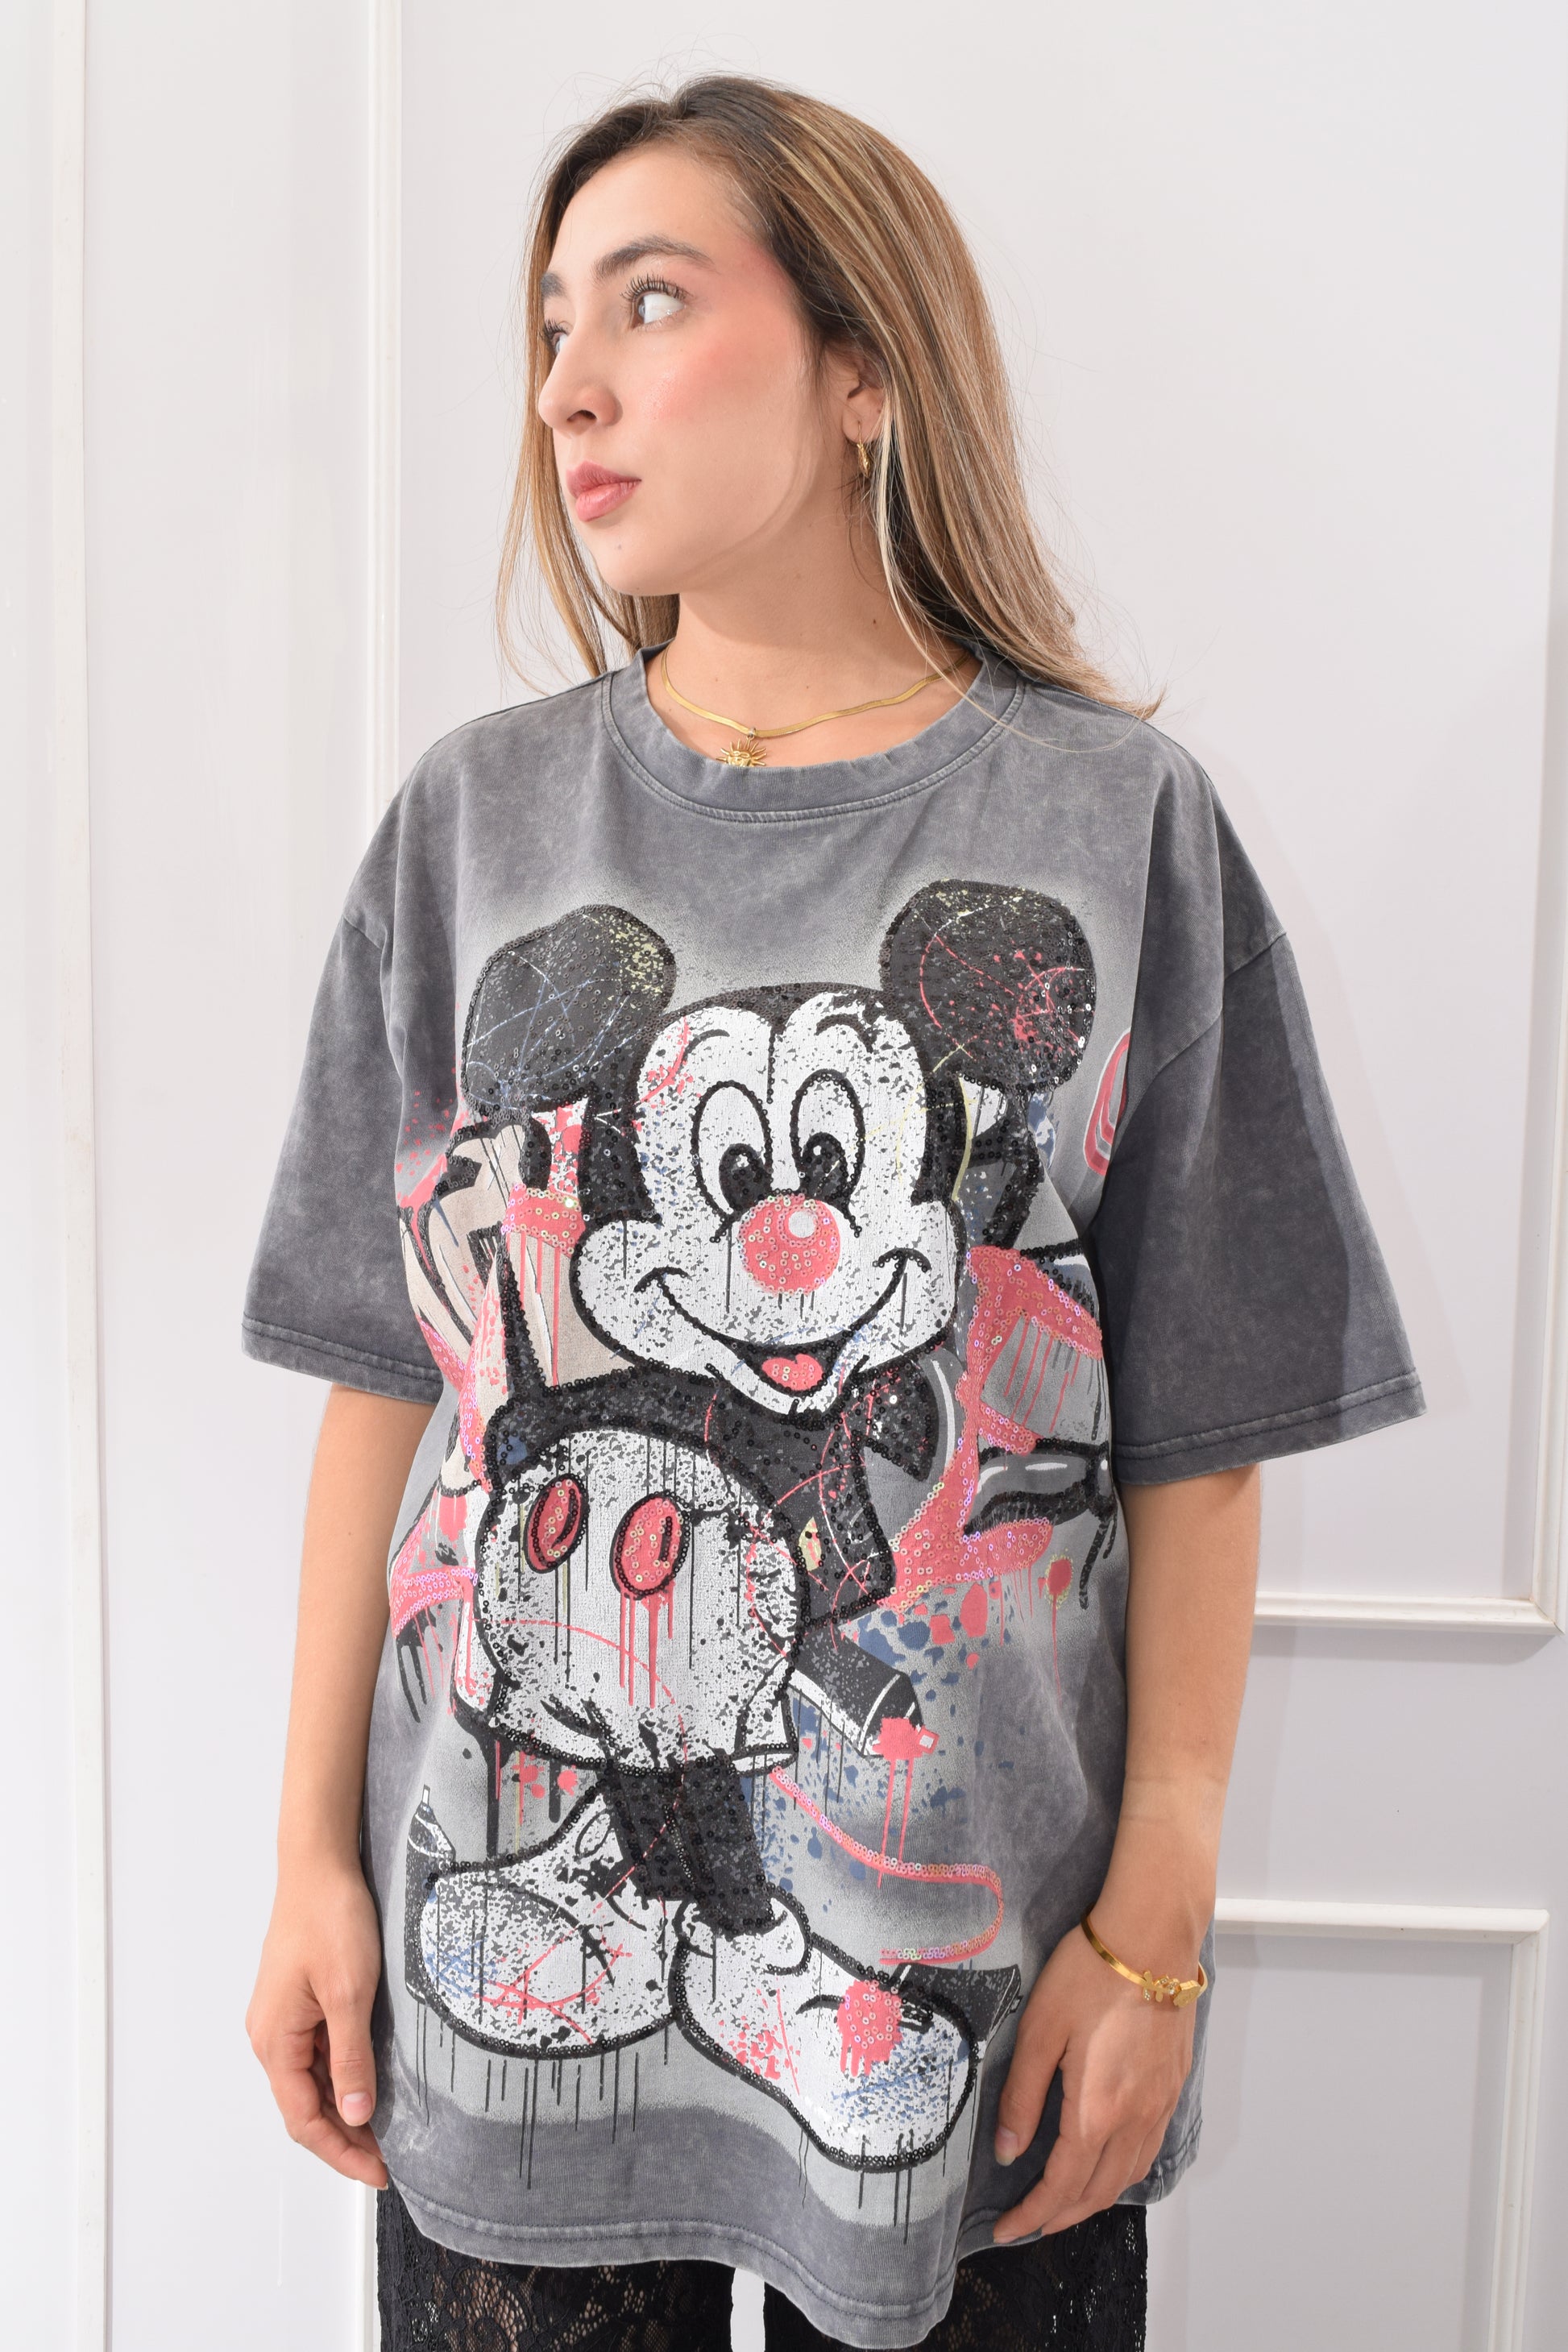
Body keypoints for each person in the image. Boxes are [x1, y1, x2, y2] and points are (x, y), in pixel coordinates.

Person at [241, 74, 1423, 2352]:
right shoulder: (475, 823)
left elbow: (1203, 1429)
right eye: (551, 323)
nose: (568, 387)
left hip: (967, 2011)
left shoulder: (1113, 823)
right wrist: (304, 1858)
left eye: (651, 302)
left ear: (862, 368)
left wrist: (1155, 1933)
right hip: (504, 1983)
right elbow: (386, 1383)